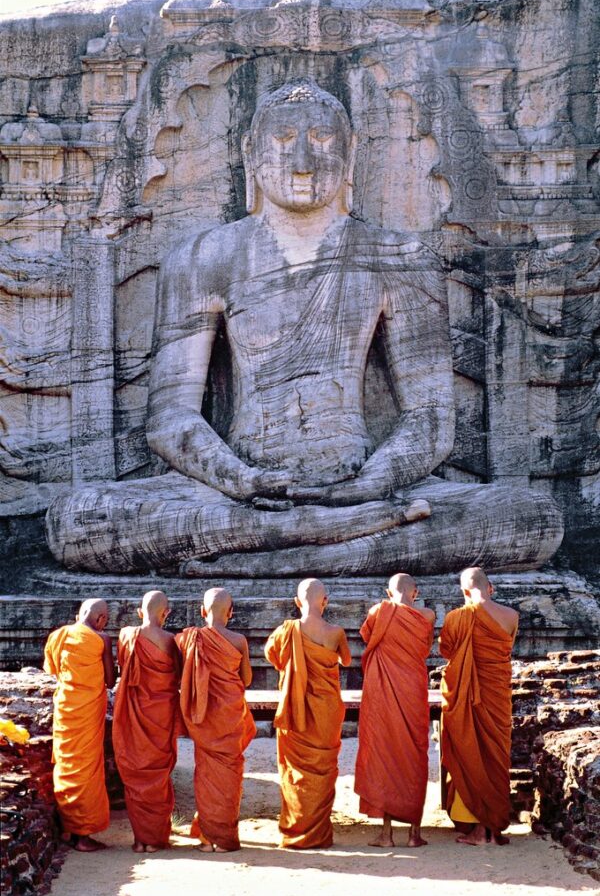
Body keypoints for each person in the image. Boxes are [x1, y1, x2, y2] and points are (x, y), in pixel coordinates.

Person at [45, 80, 563, 579]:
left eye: (321, 140)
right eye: (283, 140)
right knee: (78, 520)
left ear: (351, 152)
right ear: (251, 153)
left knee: (531, 519)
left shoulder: (400, 258)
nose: (302, 161)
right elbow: (170, 418)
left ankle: (275, 550)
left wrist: (371, 482)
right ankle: (340, 543)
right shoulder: (203, 257)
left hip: (363, 483)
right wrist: (241, 480)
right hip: (237, 491)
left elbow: (429, 420)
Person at [265, 578, 351, 849]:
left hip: (295, 708)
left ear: (297, 602)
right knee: (323, 770)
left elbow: (270, 654)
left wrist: (294, 664)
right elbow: (346, 660)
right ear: (325, 601)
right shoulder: (336, 632)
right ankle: (318, 835)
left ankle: (295, 833)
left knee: (295, 773)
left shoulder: (286, 630)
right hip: (326, 709)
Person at [439, 566, 519, 846]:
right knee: (494, 759)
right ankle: (490, 828)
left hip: (466, 699)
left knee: (469, 754)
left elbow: (447, 651)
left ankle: (478, 829)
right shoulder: (511, 616)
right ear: (491, 588)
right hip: (497, 698)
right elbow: (505, 647)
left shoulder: (456, 617)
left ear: (463, 591)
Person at [354, 572, 434, 848]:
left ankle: (386, 835)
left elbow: (367, 636)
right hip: (413, 688)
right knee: (414, 754)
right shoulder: (428, 615)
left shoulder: (379, 610)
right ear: (416, 592)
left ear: (388, 593)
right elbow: (425, 646)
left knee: (383, 753)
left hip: (383, 692)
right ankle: (414, 834)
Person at [176, 588, 256, 852]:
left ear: (202, 611)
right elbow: (246, 679)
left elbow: (182, 676)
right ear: (230, 612)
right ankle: (223, 837)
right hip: (229, 716)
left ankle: (208, 838)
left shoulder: (189, 639)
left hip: (205, 717)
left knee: (207, 776)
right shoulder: (238, 640)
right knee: (228, 778)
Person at [113, 590, 183, 853]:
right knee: (157, 772)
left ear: (139, 612)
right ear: (166, 613)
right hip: (161, 712)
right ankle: (155, 838)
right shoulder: (172, 641)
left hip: (134, 711)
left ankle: (141, 839)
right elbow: (179, 676)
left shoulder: (127, 637)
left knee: (135, 771)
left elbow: (123, 668)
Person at [44, 598, 115, 852]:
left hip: (66, 709)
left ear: (79, 614)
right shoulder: (102, 639)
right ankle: (82, 835)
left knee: (67, 765)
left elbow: (52, 669)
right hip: (87, 709)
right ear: (101, 619)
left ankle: (67, 828)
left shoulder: (60, 635)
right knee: (85, 769)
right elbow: (109, 679)